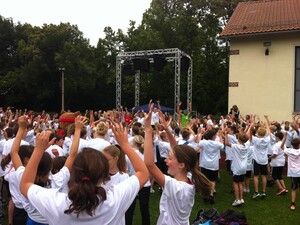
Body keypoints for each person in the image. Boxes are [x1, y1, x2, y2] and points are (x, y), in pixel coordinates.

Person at [19, 119, 149, 225]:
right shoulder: (115, 198)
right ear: (104, 176)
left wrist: (38, 150)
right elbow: (143, 173)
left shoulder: (57, 203)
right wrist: (125, 145)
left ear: (73, 173)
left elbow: (25, 184)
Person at [144, 104, 211, 224]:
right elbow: (177, 150)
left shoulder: (175, 187)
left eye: (169, 159)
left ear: (181, 165)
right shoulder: (190, 178)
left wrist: (148, 130)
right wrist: (167, 129)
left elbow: (149, 164)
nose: (166, 160)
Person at [125, 135, 151, 225]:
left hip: (133, 183)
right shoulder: (145, 155)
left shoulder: (128, 155)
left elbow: (125, 171)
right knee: (144, 208)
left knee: (129, 208)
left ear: (134, 143)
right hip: (145, 183)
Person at [225, 130, 249, 206]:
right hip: (244, 168)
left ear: (239, 139)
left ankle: (237, 199)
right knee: (241, 183)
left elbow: (227, 143)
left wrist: (225, 134)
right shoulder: (246, 146)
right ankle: (241, 199)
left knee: (235, 183)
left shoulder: (236, 146)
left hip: (237, 168)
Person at [249, 116, 271, 199]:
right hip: (264, 160)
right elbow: (268, 133)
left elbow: (250, 136)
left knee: (255, 176)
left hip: (256, 160)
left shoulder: (255, 140)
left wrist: (251, 128)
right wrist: (266, 126)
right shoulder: (267, 139)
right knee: (264, 176)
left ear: (258, 133)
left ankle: (256, 192)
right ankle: (264, 192)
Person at [281, 134, 300, 210]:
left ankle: (293, 204)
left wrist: (285, 138)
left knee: (294, 189)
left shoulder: (289, 151)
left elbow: (282, 147)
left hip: (293, 173)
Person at [268, 131, 287, 195]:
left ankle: (280, 188)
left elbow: (275, 154)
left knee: (274, 175)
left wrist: (270, 157)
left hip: (276, 162)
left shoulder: (276, 145)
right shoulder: (284, 144)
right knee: (279, 175)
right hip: (282, 161)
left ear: (277, 137)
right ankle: (284, 188)